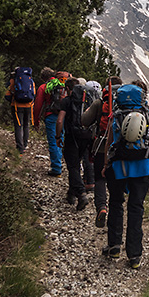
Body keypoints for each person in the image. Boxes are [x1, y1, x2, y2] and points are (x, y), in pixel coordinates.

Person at [102, 81, 149, 269]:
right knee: (136, 209)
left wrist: (105, 165)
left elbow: (109, 142)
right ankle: (134, 256)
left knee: (116, 204)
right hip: (142, 167)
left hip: (119, 166)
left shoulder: (116, 114)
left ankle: (114, 246)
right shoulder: (148, 115)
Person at [81, 76, 122, 228]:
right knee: (116, 182)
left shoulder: (100, 103)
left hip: (100, 146)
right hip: (119, 148)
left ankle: (102, 207)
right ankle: (116, 213)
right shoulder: (124, 104)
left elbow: (84, 121)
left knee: (100, 179)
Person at [55, 77, 90, 211]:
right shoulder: (87, 100)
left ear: (68, 89)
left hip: (72, 136)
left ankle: (81, 194)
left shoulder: (66, 101)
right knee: (77, 162)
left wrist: (58, 137)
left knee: (73, 166)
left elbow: (59, 121)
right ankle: (71, 194)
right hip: (86, 136)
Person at [33, 67, 62, 176]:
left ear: (43, 77)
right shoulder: (61, 85)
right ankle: (59, 164)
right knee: (60, 139)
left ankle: (56, 168)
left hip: (51, 117)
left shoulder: (44, 87)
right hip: (62, 117)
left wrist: (36, 121)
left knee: (53, 142)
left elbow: (38, 106)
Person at [5, 67, 35, 156]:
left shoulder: (12, 81)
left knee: (18, 126)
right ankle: (25, 145)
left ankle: (20, 147)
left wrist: (13, 100)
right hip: (29, 106)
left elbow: (7, 95)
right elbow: (34, 93)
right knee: (26, 125)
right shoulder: (31, 80)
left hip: (17, 106)